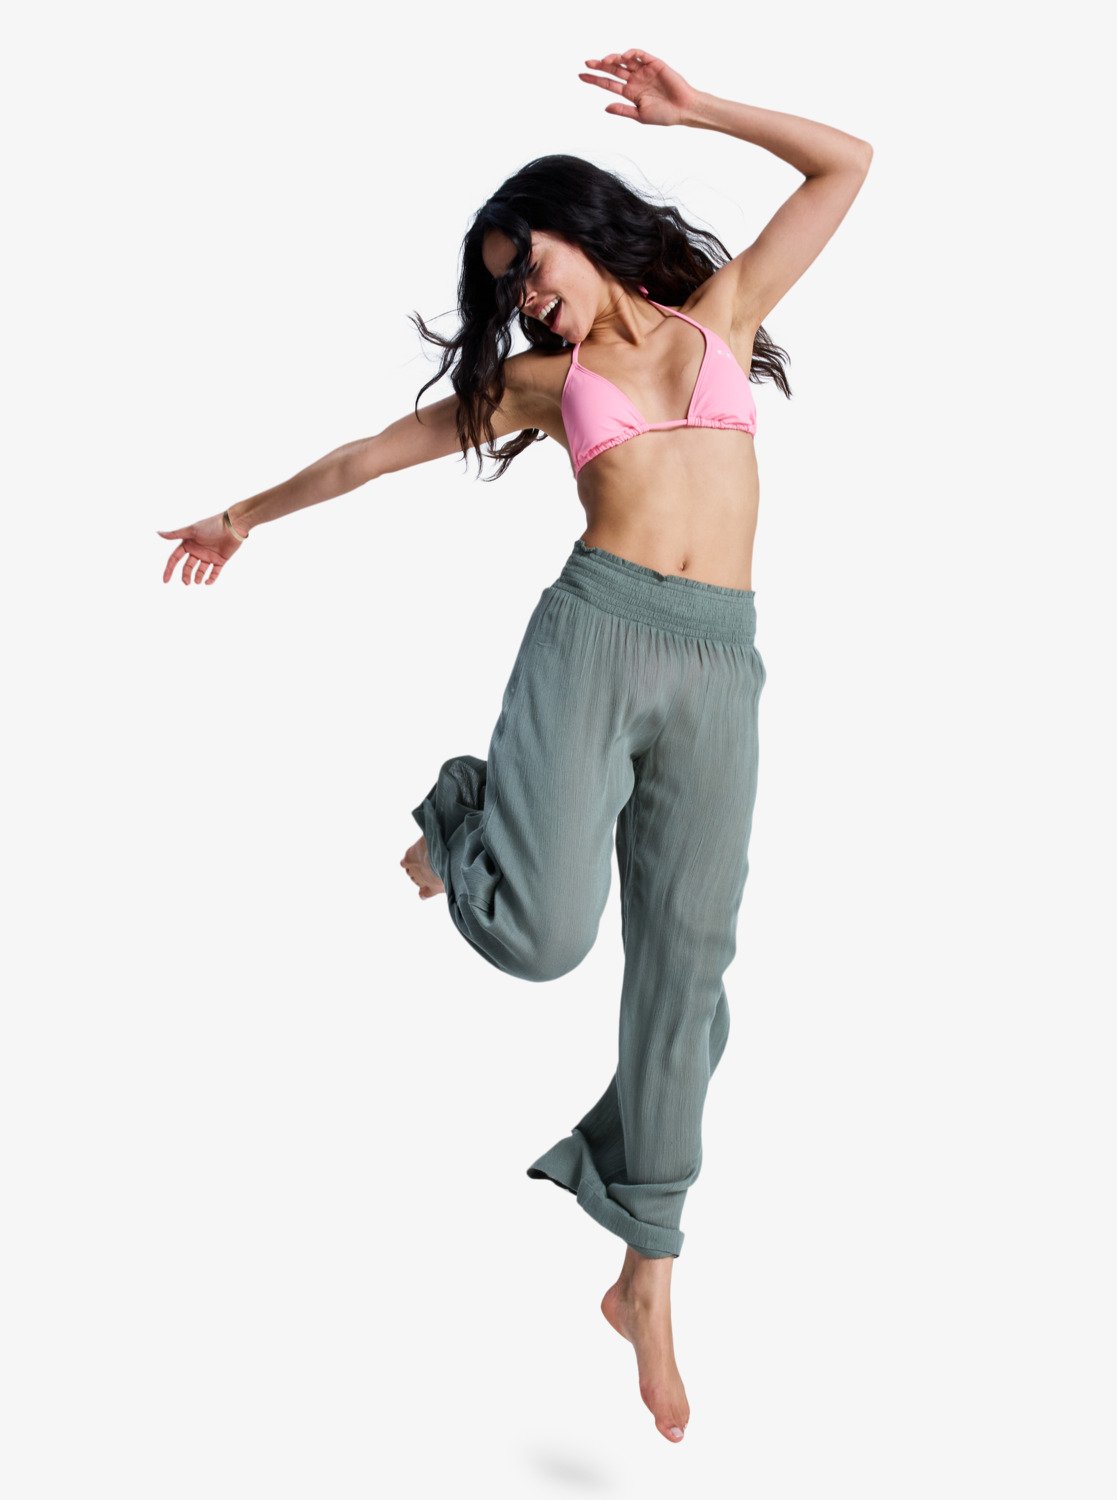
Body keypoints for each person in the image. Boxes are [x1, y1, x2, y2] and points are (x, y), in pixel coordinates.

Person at [156, 49, 872, 1446]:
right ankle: (467, 814)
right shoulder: (546, 385)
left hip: (720, 665)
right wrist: (240, 517)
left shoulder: (724, 317)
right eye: (507, 292)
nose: (525, 299)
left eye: (528, 266)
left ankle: (645, 1275)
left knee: (687, 981)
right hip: (594, 639)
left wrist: (699, 111)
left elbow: (846, 164)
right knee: (544, 940)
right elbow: (376, 451)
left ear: (580, 226)